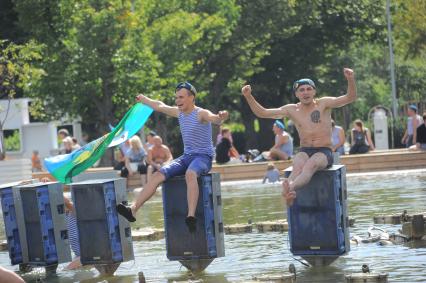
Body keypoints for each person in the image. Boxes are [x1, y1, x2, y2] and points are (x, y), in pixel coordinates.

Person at [116, 82, 228, 232]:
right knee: (157, 175)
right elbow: (160, 105)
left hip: (203, 158)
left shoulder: (201, 113)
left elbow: (214, 119)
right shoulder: (179, 113)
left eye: (181, 97)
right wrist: (144, 99)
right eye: (176, 98)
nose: (177, 101)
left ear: (191, 97)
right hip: (186, 157)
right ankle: (133, 209)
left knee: (190, 173)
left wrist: (221, 117)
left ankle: (191, 216)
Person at [242, 68, 356, 206]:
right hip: (304, 150)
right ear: (296, 94)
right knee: (297, 166)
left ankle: (290, 188)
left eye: (309, 89)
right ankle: (289, 190)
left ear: (314, 91)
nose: (306, 92)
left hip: (324, 151)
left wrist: (350, 79)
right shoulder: (292, 109)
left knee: (310, 165)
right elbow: (263, 113)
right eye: (301, 90)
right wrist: (249, 96)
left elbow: (350, 98)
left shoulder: (324, 104)